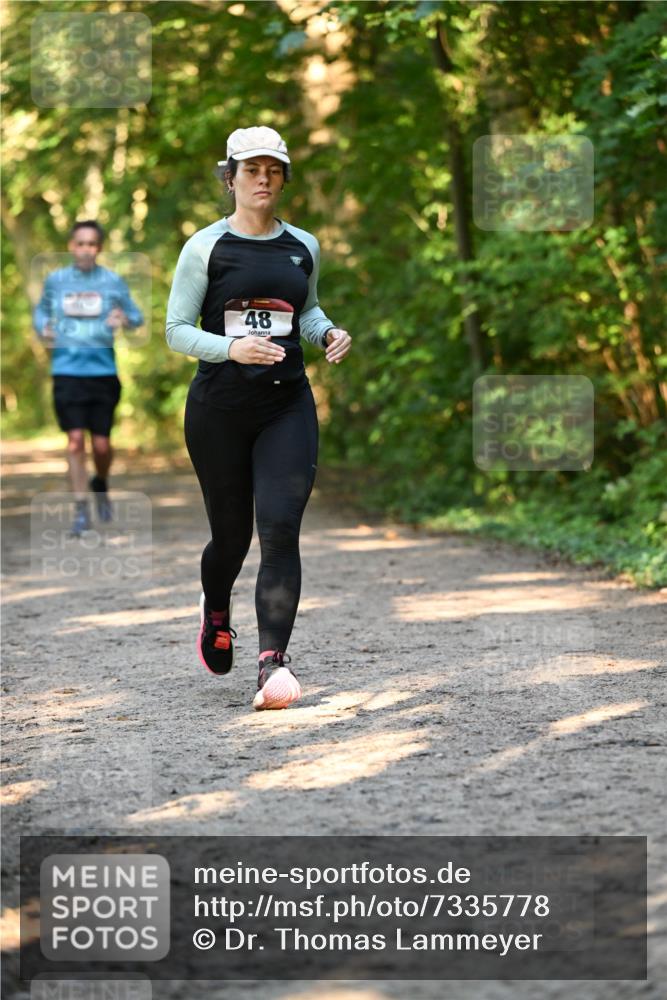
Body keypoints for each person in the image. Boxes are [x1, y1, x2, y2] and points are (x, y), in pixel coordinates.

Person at [165, 126, 352, 711]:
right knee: (232, 537)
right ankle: (215, 608)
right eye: (251, 170)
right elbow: (176, 331)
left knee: (279, 530)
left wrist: (327, 333)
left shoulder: (303, 246)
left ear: (283, 177)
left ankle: (273, 663)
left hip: (285, 406)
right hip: (218, 409)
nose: (263, 179)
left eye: (273, 169)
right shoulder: (204, 248)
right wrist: (231, 349)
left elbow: (308, 307)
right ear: (231, 178)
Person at [33, 220, 144, 535]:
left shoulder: (112, 281)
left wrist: (124, 317)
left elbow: (137, 316)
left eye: (92, 244)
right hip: (66, 371)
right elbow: (40, 311)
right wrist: (44, 326)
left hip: (103, 373)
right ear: (71, 246)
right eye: (80, 243)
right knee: (74, 442)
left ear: (99, 248)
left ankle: (101, 481)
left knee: (102, 446)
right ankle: (81, 511)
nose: (85, 249)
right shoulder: (56, 281)